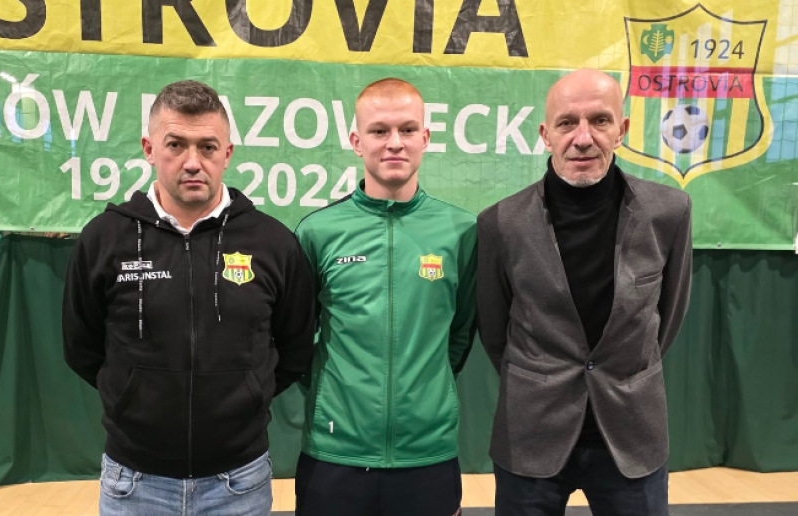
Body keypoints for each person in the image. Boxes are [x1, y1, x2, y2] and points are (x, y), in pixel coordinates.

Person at [62, 80, 316, 516]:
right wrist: (131, 395)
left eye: (207, 147)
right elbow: (81, 348)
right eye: (176, 145)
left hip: (239, 482)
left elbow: (294, 349)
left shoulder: (273, 243)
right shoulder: (104, 239)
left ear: (227, 154)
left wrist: (248, 393)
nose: (193, 162)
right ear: (149, 148)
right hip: (134, 482)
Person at [476, 69, 693, 515]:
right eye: (567, 123)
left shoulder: (669, 212)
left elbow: (668, 316)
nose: (583, 138)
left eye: (600, 120)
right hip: (531, 436)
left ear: (621, 130)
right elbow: (495, 331)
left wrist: (625, 373)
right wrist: (541, 380)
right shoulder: (500, 223)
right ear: (545, 135)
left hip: (632, 437)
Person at [293, 78, 477, 516]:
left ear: (425, 138)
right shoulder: (317, 232)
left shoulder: (462, 231)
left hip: (428, 456)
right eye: (379, 131)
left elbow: (461, 333)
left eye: (407, 129)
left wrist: (423, 399)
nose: (394, 142)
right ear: (357, 141)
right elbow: (295, 341)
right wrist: (336, 400)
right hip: (334, 455)